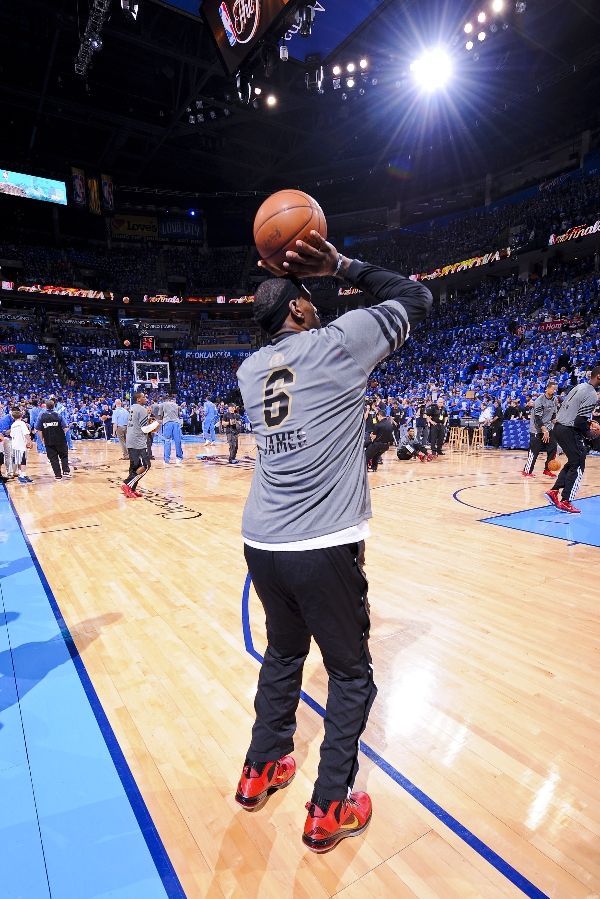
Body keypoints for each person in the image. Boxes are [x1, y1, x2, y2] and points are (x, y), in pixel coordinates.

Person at [234, 230, 432, 852]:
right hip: (324, 543)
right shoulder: (338, 345)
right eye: (309, 300)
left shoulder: (247, 370)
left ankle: (261, 768)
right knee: (351, 675)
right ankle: (330, 806)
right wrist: (339, 265)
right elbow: (416, 298)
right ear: (298, 308)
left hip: (262, 543)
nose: (317, 304)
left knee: (285, 655)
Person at [545, 366, 600, 513]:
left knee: (574, 461)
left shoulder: (579, 386)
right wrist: (589, 433)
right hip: (569, 430)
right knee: (579, 464)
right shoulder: (592, 394)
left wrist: (586, 425)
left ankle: (554, 491)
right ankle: (566, 500)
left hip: (558, 427)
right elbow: (580, 422)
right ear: (599, 376)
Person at [522, 382, 558, 478]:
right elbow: (537, 419)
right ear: (547, 389)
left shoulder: (555, 400)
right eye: (553, 389)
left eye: (556, 389)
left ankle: (547, 469)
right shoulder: (539, 400)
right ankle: (527, 471)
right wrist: (544, 430)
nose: (555, 391)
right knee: (534, 451)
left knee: (553, 448)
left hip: (548, 427)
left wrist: (556, 422)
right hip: (536, 429)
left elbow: (554, 414)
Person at [122, 391, 151, 499]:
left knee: (135, 466)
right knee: (146, 465)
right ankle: (127, 484)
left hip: (130, 440)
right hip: (138, 442)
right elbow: (145, 428)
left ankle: (131, 489)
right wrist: (155, 425)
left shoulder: (132, 407)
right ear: (138, 399)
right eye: (143, 397)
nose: (145, 398)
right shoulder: (142, 409)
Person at [36, 399, 71, 480]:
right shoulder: (58, 415)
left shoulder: (41, 416)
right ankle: (66, 471)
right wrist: (62, 434)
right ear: (54, 406)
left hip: (48, 440)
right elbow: (65, 427)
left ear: (46, 406)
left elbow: (39, 430)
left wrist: (42, 440)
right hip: (60, 440)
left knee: (53, 458)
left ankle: (58, 475)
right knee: (64, 456)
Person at [10, 408, 33, 484]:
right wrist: (30, 442)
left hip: (15, 445)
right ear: (21, 416)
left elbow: (11, 435)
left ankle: (21, 474)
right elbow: (26, 433)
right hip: (21, 445)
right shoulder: (22, 423)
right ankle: (22, 475)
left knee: (18, 461)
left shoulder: (13, 425)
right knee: (23, 461)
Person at [160, 394, 183, 465]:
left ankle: (166, 460)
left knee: (167, 441)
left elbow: (161, 415)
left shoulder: (163, 404)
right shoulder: (176, 405)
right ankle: (179, 458)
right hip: (176, 423)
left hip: (167, 423)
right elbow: (179, 415)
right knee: (177, 441)